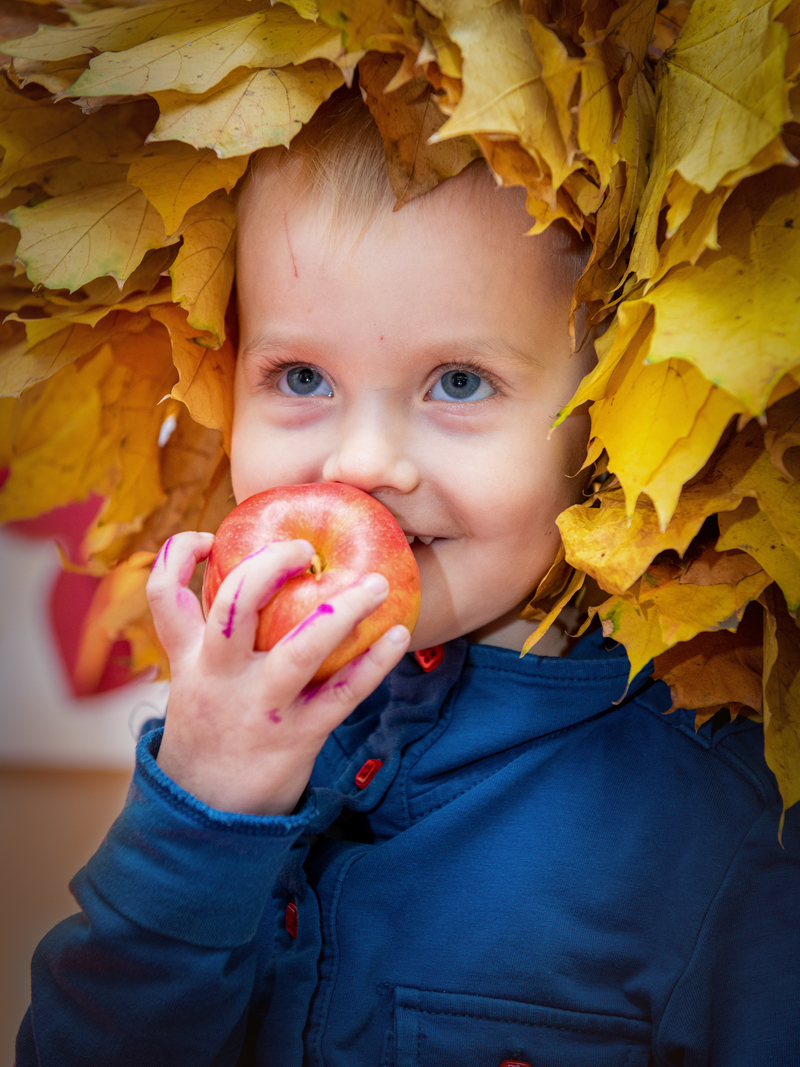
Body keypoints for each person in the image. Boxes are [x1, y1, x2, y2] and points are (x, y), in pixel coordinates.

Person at [16, 88, 800, 1067]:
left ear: (606, 419)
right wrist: (203, 812)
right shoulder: (218, 745)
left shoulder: (724, 820)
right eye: (301, 377)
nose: (362, 459)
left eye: (458, 382)